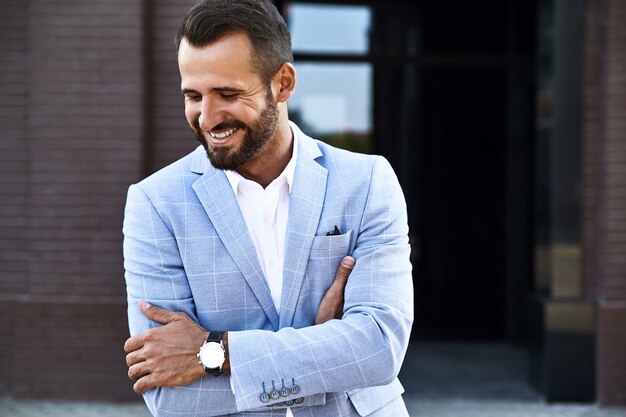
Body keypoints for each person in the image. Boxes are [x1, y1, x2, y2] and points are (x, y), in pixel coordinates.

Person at [122, 0, 413, 416]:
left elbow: (379, 349)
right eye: (193, 95)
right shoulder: (155, 204)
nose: (206, 118)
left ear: (283, 83)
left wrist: (214, 353)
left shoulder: (366, 182)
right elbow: (170, 394)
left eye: (228, 94)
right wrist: (326, 354)